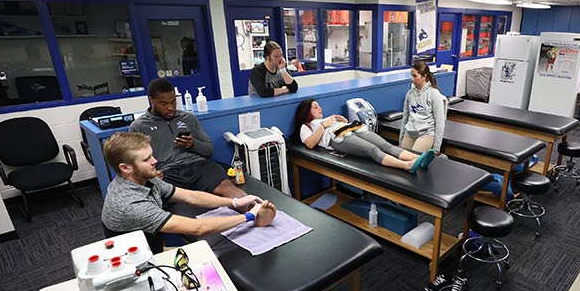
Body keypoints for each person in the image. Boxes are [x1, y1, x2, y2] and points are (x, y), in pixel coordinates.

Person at [101, 132, 276, 238]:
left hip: (148, 244)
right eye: (147, 159)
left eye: (152, 155)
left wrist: (235, 202)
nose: (155, 161)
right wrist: (248, 217)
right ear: (126, 168)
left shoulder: (145, 178)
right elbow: (198, 228)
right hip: (137, 265)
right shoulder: (132, 204)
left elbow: (189, 196)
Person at [130, 78, 249, 200]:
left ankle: (257, 210)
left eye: (173, 102)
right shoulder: (139, 127)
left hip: (197, 165)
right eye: (164, 104)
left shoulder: (188, 118)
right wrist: (152, 174)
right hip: (166, 172)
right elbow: (135, 164)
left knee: (228, 188)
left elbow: (209, 150)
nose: (170, 108)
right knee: (158, 199)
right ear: (151, 100)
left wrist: (193, 144)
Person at [295, 98, 435, 173]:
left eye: (319, 106)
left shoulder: (325, 120)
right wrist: (324, 125)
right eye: (315, 107)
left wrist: (343, 121)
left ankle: (418, 159)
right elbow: (310, 143)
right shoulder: (306, 126)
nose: (320, 108)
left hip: (351, 129)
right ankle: (406, 165)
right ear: (307, 112)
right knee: (372, 150)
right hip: (338, 139)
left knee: (386, 145)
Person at [399, 61, 446, 153]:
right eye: (411, 75)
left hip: (426, 133)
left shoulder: (434, 93)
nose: (412, 79)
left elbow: (440, 122)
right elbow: (405, 117)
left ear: (424, 77)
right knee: (401, 158)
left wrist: (436, 148)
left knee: (413, 160)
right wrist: (401, 140)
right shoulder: (410, 94)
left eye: (415, 76)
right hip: (410, 132)